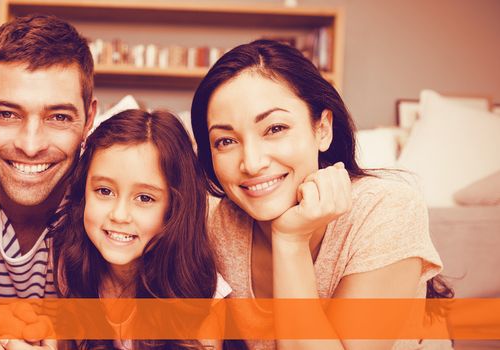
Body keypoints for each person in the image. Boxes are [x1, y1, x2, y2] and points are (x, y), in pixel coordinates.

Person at [190, 39, 452, 350]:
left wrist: (290, 240)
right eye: (225, 141)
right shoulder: (214, 222)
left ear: (323, 129)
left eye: (275, 129)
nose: (252, 162)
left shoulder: (386, 209)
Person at [54, 109, 233, 350]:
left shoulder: (203, 302)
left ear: (174, 208)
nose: (118, 215)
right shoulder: (73, 264)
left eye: (145, 198)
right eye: (104, 191)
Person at [0, 14, 96, 300]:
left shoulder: (109, 189)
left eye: (59, 117)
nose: (30, 145)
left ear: (89, 119)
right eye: (7, 114)